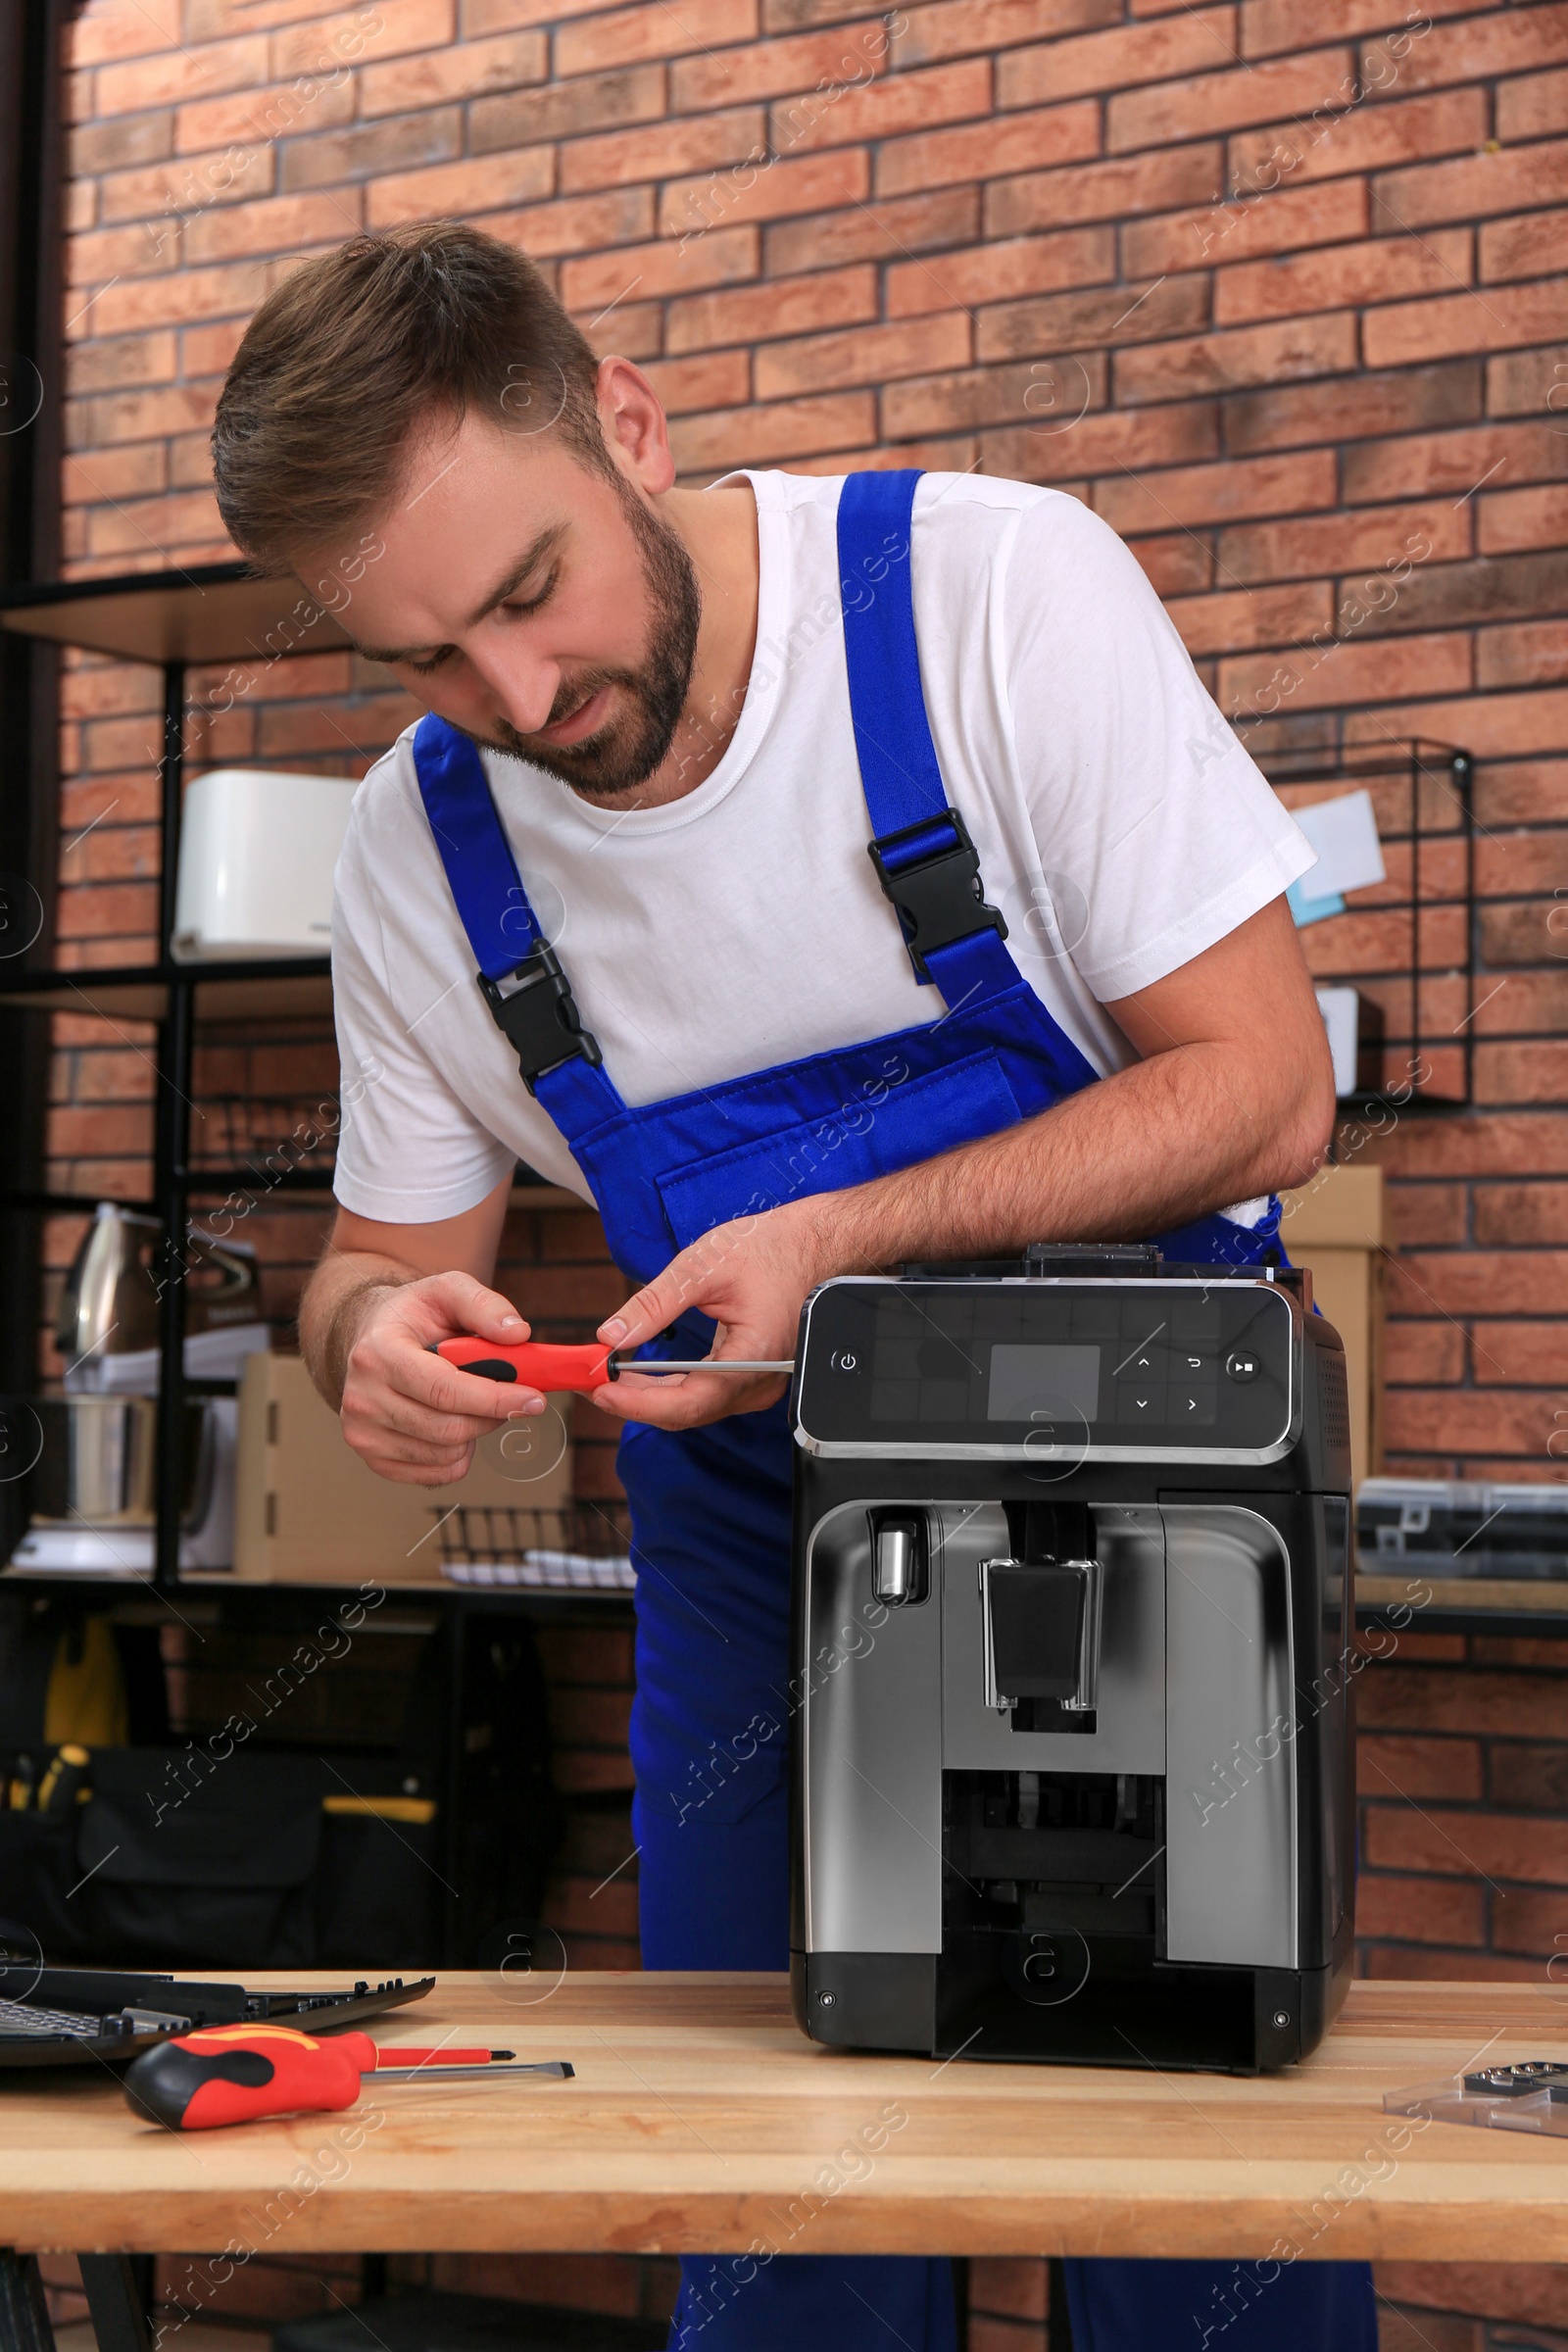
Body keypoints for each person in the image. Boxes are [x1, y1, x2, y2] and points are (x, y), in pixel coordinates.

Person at [212, 220, 1372, 2352]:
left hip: (1153, 1486)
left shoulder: (985, 600)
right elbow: (377, 1267)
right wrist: (369, 1338)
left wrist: (836, 1241)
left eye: (529, 595)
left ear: (627, 425)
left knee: (1193, 2173)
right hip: (766, 1537)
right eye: (428, 663)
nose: (524, 707)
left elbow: (1263, 1090)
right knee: (765, 2173)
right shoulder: (415, 852)